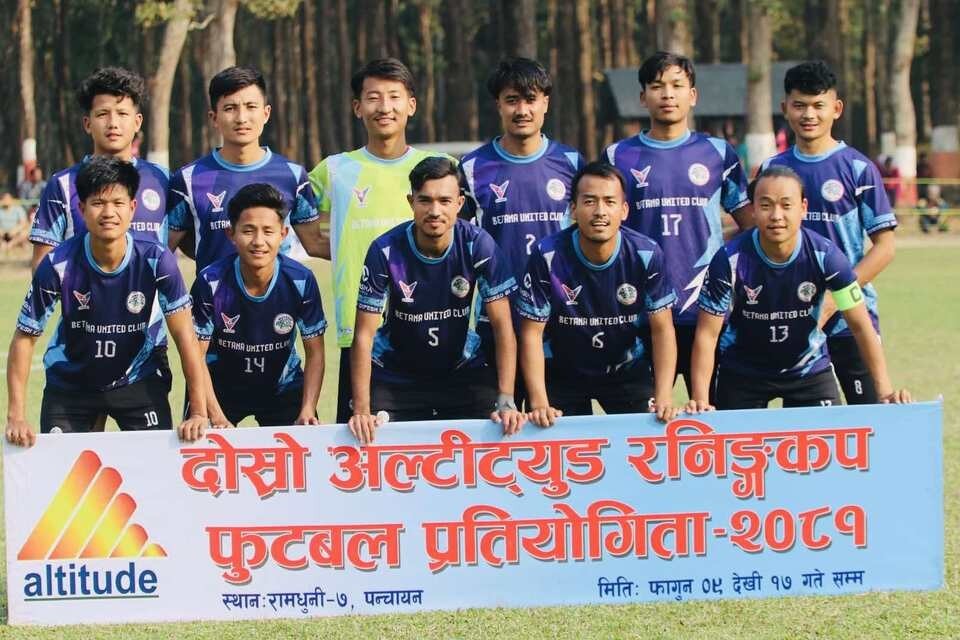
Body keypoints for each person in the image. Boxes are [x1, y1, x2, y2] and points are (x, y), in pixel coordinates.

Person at [5, 157, 210, 447]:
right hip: (71, 384)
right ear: (81, 209)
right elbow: (25, 338)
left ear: (132, 208)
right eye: (98, 203)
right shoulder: (57, 264)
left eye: (118, 203)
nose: (109, 212)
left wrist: (198, 412)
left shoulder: (156, 259)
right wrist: (16, 416)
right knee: (66, 473)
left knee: (149, 471)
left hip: (138, 379)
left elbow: (185, 335)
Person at [687, 166, 910, 411]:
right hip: (743, 372)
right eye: (766, 205)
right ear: (752, 210)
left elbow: (860, 325)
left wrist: (885, 391)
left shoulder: (827, 256)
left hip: (808, 371)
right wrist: (700, 400)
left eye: (786, 205)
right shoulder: (728, 259)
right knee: (735, 436)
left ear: (803, 208)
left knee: (827, 437)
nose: (776, 215)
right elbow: (707, 335)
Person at [309, 58, 453, 424]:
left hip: (431, 321)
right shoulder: (334, 170)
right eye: (373, 97)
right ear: (358, 107)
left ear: (411, 105)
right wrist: (346, 251)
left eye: (394, 96)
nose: (384, 107)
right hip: (359, 332)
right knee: (360, 441)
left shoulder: (440, 167)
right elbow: (306, 233)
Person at [604, 51, 751, 394]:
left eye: (677, 85)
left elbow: (750, 225)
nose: (667, 94)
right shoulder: (617, 156)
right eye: (657, 86)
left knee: (712, 413)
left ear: (693, 95)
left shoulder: (718, 153)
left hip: (709, 311)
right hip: (641, 313)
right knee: (650, 415)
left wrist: (723, 259)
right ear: (643, 97)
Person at [347, 157, 523, 444]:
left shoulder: (478, 244)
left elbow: (503, 327)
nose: (435, 211)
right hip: (395, 374)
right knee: (368, 442)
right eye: (425, 200)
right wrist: (362, 409)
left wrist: (506, 398)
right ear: (411, 202)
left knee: (496, 434)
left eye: (444, 201)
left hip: (461, 370)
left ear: (460, 203)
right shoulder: (384, 250)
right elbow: (364, 335)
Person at [763, 61, 898, 405]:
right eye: (800, 105)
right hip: (790, 318)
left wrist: (836, 297)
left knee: (870, 416)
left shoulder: (858, 168)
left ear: (836, 109)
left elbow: (884, 247)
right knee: (807, 425)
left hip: (850, 320)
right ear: (785, 108)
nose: (809, 114)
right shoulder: (772, 170)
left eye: (818, 105)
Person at [459, 57, 584, 408]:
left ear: (546, 102)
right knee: (499, 426)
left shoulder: (572, 163)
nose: (522, 110)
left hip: (561, 320)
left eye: (530, 99)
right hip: (496, 321)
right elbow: (460, 245)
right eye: (512, 100)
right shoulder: (471, 168)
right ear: (498, 105)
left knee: (558, 426)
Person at [517, 163, 678, 426]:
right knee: (556, 442)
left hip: (626, 370)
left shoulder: (646, 253)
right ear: (573, 209)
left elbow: (662, 330)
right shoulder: (547, 255)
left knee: (648, 435)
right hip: (562, 372)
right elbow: (531, 333)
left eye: (609, 202)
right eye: (589, 201)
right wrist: (539, 403)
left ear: (624, 210)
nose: (600, 211)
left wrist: (664, 396)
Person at [191, 184, 326, 427]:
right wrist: (214, 414)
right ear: (231, 234)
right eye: (248, 231)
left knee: (305, 441)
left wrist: (307, 409)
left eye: (268, 231)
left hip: (283, 387)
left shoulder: (300, 280)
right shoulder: (210, 281)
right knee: (196, 437)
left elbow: (315, 353)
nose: (258, 241)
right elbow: (196, 355)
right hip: (221, 388)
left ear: (283, 234)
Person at [166, 66, 323, 272]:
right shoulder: (188, 179)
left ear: (266, 113)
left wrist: (365, 248)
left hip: (278, 294)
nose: (241, 118)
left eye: (251, 106)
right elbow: (166, 248)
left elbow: (314, 243)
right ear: (214, 118)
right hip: (213, 293)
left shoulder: (293, 175)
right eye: (230, 108)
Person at [28, 68, 170, 272]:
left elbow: (176, 247)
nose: (113, 123)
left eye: (122, 114)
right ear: (87, 124)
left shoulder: (162, 179)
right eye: (103, 114)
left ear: (137, 122)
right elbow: (42, 265)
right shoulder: (63, 184)